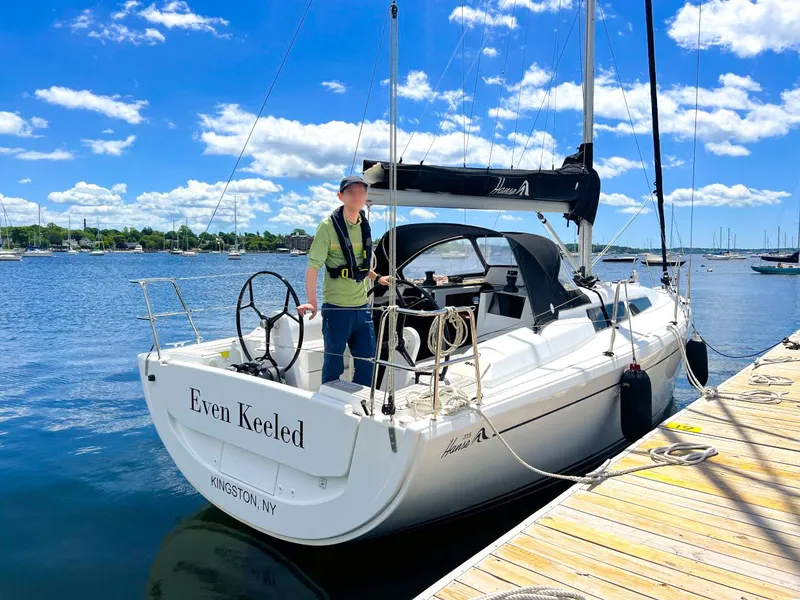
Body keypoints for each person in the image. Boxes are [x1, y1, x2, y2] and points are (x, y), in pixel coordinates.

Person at [298, 175, 390, 386]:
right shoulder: (328, 227)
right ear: (341, 196)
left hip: (362, 308)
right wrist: (311, 301)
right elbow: (313, 267)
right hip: (337, 309)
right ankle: (329, 404)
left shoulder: (363, 225)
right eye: (351, 192)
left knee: (368, 362)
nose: (357, 196)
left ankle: (362, 403)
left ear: (366, 197)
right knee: (333, 363)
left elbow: (358, 266)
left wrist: (378, 278)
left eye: (361, 192)